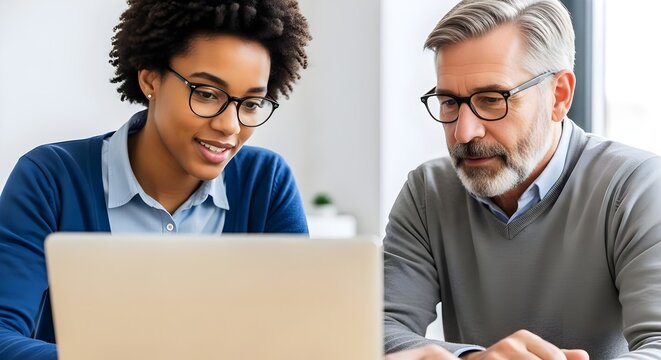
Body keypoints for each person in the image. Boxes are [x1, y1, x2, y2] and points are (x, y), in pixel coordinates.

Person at [0, 0, 311, 359]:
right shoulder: (51, 178)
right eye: (207, 94)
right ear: (150, 79)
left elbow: (299, 336)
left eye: (252, 104)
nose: (230, 126)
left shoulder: (266, 183)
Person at [383, 0, 661, 359]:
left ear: (559, 96)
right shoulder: (427, 193)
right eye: (450, 102)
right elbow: (378, 328)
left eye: (491, 99)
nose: (465, 132)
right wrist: (472, 358)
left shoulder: (637, 187)